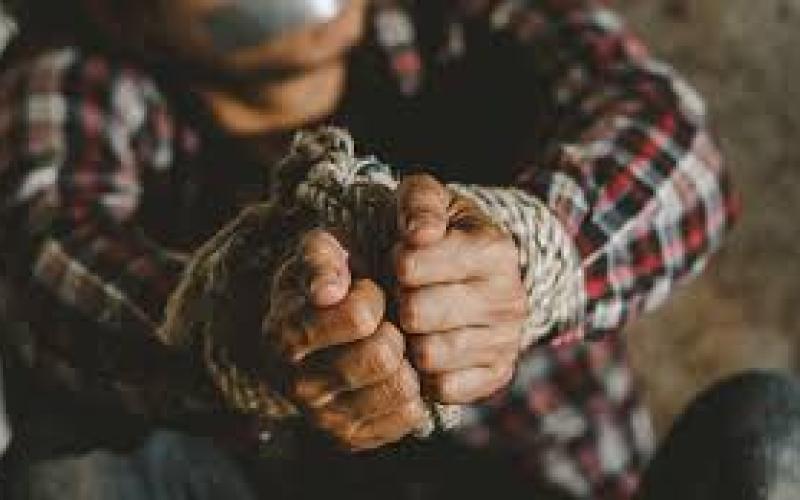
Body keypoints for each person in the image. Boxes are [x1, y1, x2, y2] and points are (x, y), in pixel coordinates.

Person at [0, 0, 739, 499]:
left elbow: (670, 140)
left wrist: (530, 255)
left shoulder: (458, 16)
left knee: (766, 432)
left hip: (540, 477)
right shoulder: (75, 71)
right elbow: (46, 257)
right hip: (273, 481)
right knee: (67, 456)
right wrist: (240, 327)